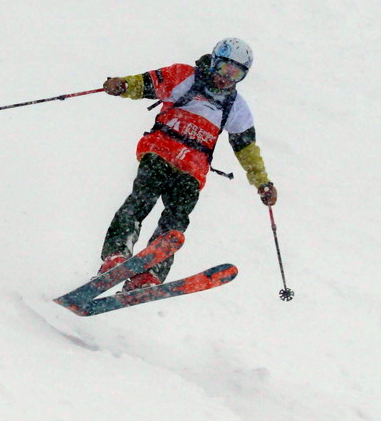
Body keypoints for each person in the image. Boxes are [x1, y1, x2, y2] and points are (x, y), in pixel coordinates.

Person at [97, 37, 277, 290]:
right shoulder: (183, 76)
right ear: (214, 62)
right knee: (141, 199)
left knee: (176, 220)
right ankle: (116, 255)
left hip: (193, 169)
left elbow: (247, 150)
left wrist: (262, 182)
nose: (227, 77)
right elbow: (144, 84)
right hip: (160, 151)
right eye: (224, 68)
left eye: (236, 73)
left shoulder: (236, 108)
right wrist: (122, 85)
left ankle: (150, 274)